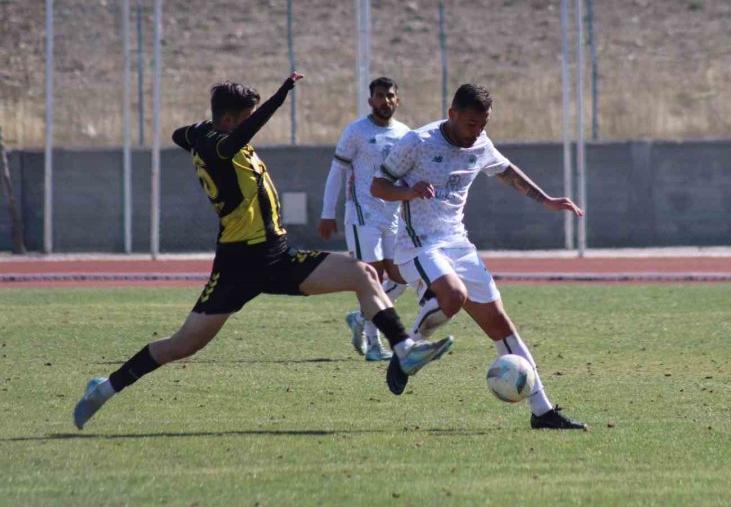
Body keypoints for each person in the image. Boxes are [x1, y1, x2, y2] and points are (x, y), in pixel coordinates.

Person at [72, 72, 453, 430]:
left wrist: (196, 132)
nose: (250, 126)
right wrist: (279, 97)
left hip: (275, 254)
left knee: (363, 273)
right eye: (246, 119)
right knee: (182, 344)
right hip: (239, 264)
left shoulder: (207, 135)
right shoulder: (222, 146)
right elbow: (233, 137)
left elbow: (178, 134)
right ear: (228, 121)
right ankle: (104, 388)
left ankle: (403, 348)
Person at [371, 83, 587, 431]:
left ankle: (543, 411)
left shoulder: (480, 143)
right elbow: (377, 186)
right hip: (418, 244)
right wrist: (408, 191)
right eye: (471, 123)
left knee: (501, 325)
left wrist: (546, 200)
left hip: (458, 243)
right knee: (454, 296)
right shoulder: (418, 142)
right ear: (452, 114)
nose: (477, 132)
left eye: (483, 125)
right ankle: (407, 349)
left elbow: (505, 170)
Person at [318, 77, 410, 362]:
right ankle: (374, 343)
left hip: (393, 217)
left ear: (398, 100)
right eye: (379, 96)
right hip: (362, 216)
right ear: (370, 101)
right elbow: (337, 173)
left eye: (390, 95)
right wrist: (327, 212)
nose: (385, 101)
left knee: (402, 277)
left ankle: (360, 318)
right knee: (373, 278)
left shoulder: (406, 134)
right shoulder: (356, 131)